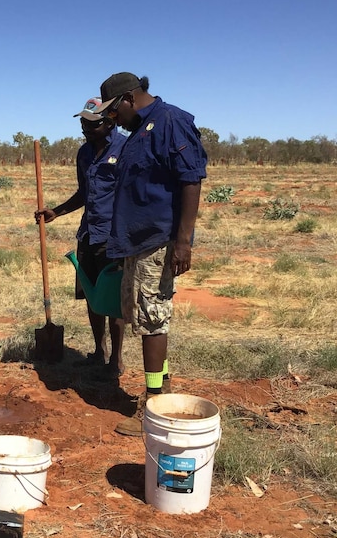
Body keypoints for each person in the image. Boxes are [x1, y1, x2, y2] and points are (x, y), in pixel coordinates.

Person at [92, 73, 208, 436]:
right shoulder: (138, 131)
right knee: (143, 317)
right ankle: (162, 386)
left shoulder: (170, 121)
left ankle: (154, 403)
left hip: (157, 240)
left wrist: (184, 241)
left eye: (114, 111)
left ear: (129, 98)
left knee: (153, 319)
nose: (113, 119)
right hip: (136, 242)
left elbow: (191, 180)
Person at [35, 97, 127, 379]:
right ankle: (100, 353)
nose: (86, 128)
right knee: (93, 297)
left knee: (114, 301)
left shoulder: (125, 148)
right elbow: (83, 194)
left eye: (92, 123)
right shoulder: (83, 153)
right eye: (83, 122)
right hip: (89, 233)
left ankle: (117, 361)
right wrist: (57, 212)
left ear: (109, 121)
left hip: (114, 238)